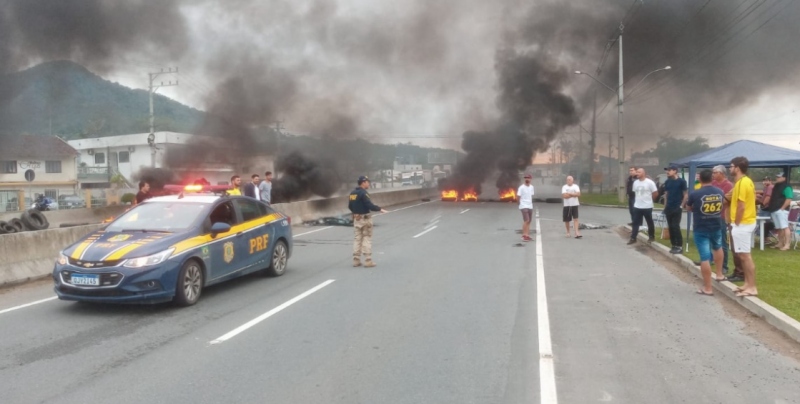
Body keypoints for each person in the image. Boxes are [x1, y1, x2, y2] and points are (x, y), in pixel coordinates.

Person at [686, 169, 725, 295]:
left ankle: (708, 288)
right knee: (718, 247)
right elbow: (722, 205)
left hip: (701, 227)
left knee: (705, 257)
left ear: (700, 179)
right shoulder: (720, 192)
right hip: (716, 225)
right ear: (712, 178)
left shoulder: (695, 194)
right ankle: (719, 274)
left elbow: (689, 207)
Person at [729, 156, 758, 297]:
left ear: (737, 168)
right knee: (742, 255)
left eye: (731, 166)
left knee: (745, 256)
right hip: (746, 222)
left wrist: (737, 223)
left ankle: (752, 287)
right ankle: (747, 283)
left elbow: (741, 205)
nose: (730, 168)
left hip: (743, 223)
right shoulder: (746, 181)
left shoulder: (742, 183)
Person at [349, 176, 388, 268]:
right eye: (367, 182)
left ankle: (356, 260)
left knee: (357, 238)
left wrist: (356, 212)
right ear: (363, 182)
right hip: (365, 218)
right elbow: (369, 205)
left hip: (356, 218)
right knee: (367, 237)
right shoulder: (363, 193)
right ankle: (368, 260)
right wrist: (380, 209)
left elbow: (350, 206)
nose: (368, 183)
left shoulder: (352, 193)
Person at [711, 165, 736, 277]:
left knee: (722, 241)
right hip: (711, 214)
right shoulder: (713, 183)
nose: (713, 174)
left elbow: (725, 200)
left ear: (721, 173)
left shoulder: (728, 185)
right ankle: (712, 259)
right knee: (712, 239)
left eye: (715, 172)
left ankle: (724, 266)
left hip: (721, 216)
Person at [763, 172, 794, 250]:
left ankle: (787, 244)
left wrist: (782, 208)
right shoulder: (776, 186)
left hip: (781, 210)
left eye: (779, 177)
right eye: (777, 177)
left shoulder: (787, 187)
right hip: (774, 209)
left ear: (784, 178)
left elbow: (789, 198)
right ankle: (780, 243)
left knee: (785, 227)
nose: (777, 178)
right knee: (779, 228)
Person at [628, 168, 658, 245]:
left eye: (639, 172)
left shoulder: (649, 182)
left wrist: (651, 200)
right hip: (637, 206)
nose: (637, 173)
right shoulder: (635, 183)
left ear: (643, 173)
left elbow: (655, 193)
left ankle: (651, 236)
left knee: (649, 222)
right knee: (635, 222)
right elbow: (635, 192)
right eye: (637, 172)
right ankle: (633, 237)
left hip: (647, 206)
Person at [663, 164, 688, 254]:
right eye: (667, 170)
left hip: (677, 206)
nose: (667, 172)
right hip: (669, 207)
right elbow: (666, 194)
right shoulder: (667, 181)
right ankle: (673, 245)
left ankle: (679, 246)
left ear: (675, 171)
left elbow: (685, 194)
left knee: (675, 226)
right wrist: (665, 206)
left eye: (669, 170)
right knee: (670, 226)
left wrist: (682, 205)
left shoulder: (682, 182)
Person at [518, 174, 535, 242]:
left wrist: (529, 203)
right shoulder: (521, 187)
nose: (527, 179)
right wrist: (520, 204)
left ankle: (527, 235)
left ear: (531, 179)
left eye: (528, 178)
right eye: (525, 178)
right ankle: (524, 235)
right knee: (526, 220)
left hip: (530, 206)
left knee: (529, 221)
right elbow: (518, 196)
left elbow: (530, 195)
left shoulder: (531, 187)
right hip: (523, 205)